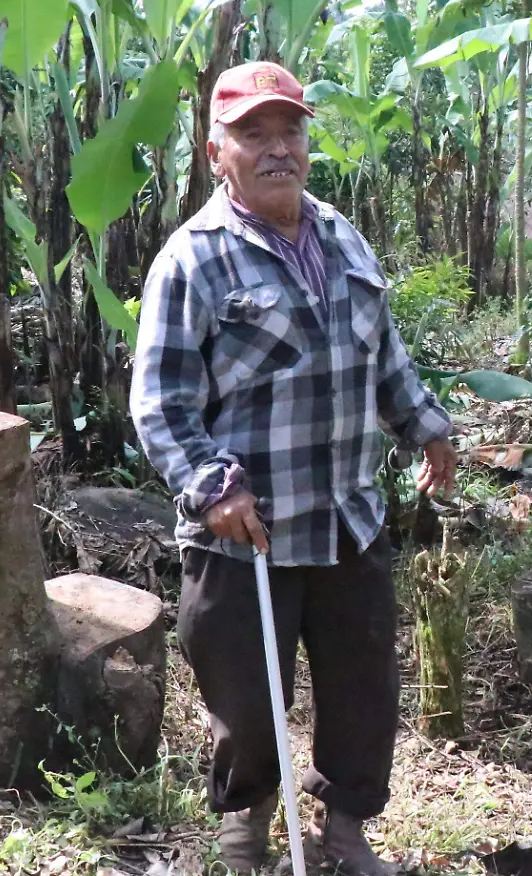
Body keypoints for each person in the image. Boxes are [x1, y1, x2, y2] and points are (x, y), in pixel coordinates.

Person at [132, 60, 457, 876]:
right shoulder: (192, 260)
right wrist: (212, 488)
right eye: (254, 134)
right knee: (244, 698)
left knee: (363, 692)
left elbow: (385, 356)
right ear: (218, 153)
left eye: (291, 130)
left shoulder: (342, 235)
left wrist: (427, 428)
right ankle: (247, 831)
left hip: (347, 515)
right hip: (246, 531)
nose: (278, 148)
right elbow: (159, 403)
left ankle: (346, 837)